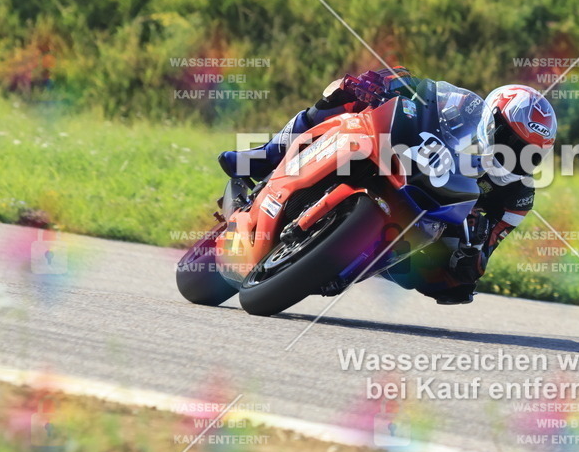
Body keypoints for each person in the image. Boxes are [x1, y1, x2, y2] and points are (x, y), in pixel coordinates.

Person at [219, 68, 558, 305]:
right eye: (511, 142)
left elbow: (488, 248)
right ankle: (266, 155)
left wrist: (472, 260)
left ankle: (344, 262)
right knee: (344, 94)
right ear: (491, 120)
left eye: (529, 153)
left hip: (434, 219)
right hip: (404, 158)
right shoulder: (465, 106)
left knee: (449, 279)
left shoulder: (518, 195)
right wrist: (382, 81)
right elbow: (418, 86)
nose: (515, 156)